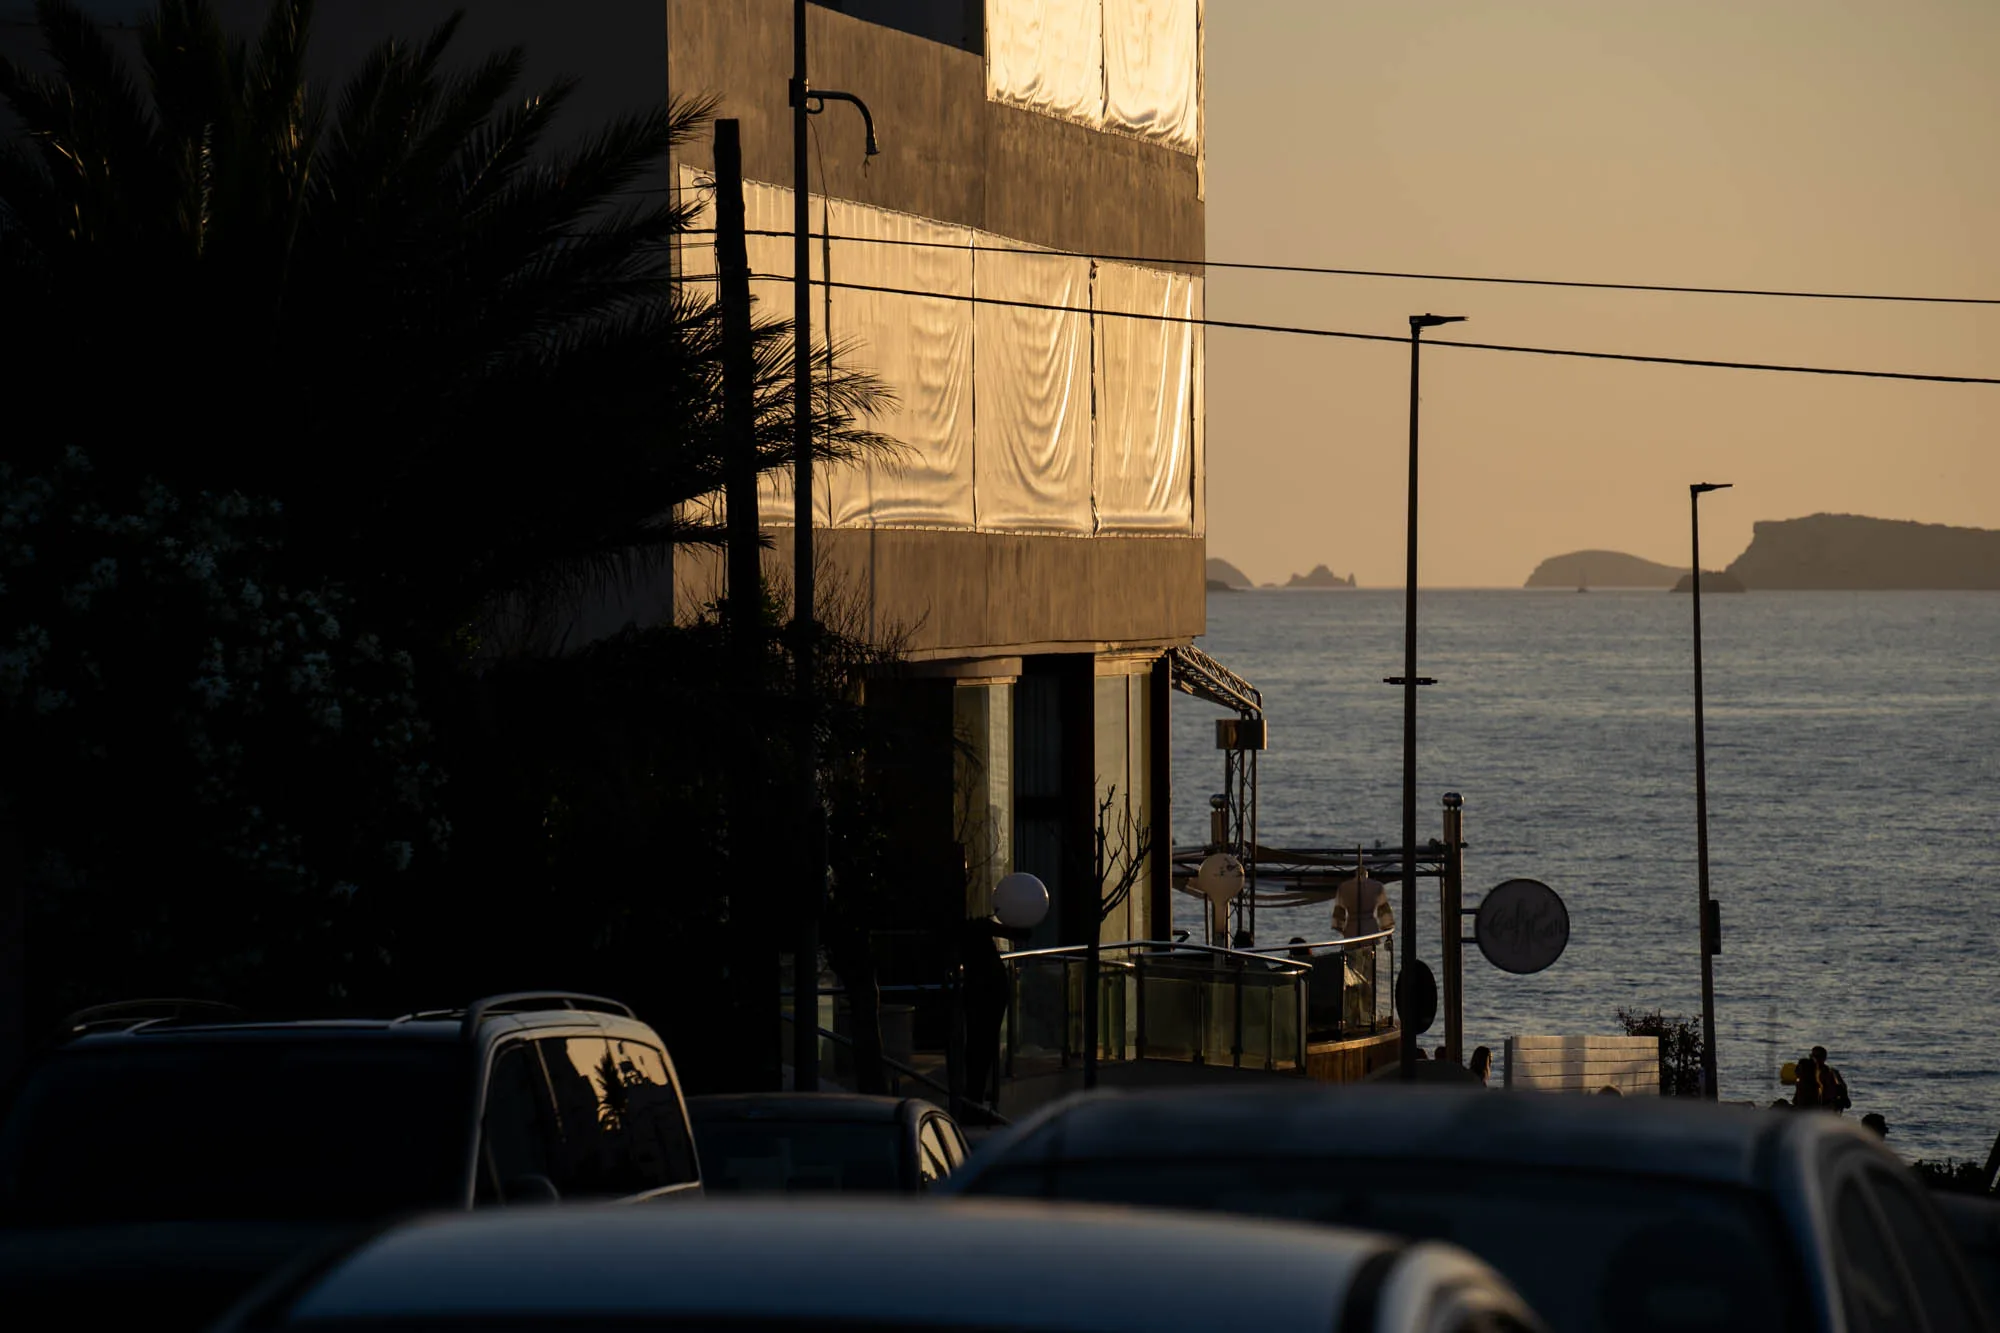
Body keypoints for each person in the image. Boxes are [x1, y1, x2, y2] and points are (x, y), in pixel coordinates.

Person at [1811, 1046, 1852, 1113]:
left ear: (1824, 1058)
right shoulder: (1808, 1071)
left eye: (1818, 1056)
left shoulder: (1831, 1072)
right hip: (1815, 1105)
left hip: (1828, 1105)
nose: (1815, 1058)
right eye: (1813, 1056)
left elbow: (1842, 1087)